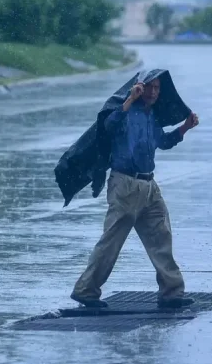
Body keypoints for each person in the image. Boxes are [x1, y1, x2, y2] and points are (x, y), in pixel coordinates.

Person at [69, 76, 200, 309]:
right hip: (125, 186)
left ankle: (171, 292)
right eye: (148, 87)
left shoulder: (152, 117)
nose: (152, 92)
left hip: (149, 186)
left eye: (157, 88)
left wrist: (185, 128)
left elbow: (164, 142)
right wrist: (130, 99)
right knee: (111, 242)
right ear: (139, 88)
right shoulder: (126, 111)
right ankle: (86, 291)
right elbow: (108, 126)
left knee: (161, 237)